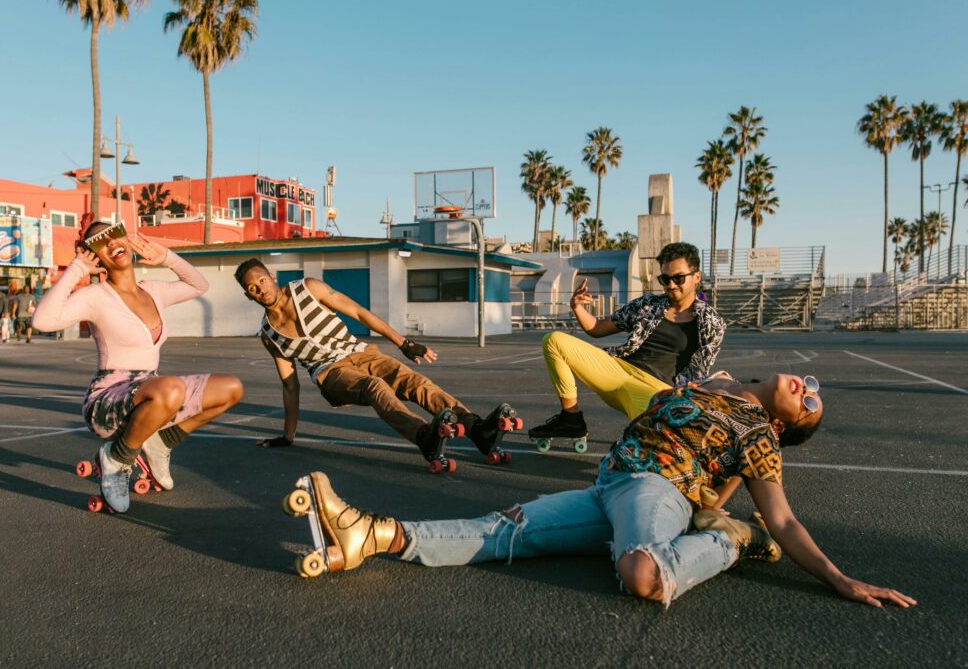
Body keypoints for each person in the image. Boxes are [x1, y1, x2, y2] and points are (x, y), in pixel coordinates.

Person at [286, 373, 917, 611]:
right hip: (608, 487)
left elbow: (781, 518)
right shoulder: (714, 388)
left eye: (809, 400)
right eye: (809, 383)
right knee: (505, 529)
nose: (804, 385)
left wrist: (840, 579)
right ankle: (371, 535)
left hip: (654, 491)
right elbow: (715, 481)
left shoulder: (760, 435)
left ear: (785, 426)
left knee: (643, 575)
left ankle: (725, 546)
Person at [33, 222, 244, 513]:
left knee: (231, 388)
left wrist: (167, 257)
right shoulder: (95, 297)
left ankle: (159, 444)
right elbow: (42, 321)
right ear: (95, 256)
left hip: (150, 394)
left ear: (126, 239)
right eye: (100, 242)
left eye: (115, 234)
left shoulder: (153, 290)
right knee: (170, 389)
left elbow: (199, 285)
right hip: (107, 400)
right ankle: (117, 459)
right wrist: (78, 269)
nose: (111, 244)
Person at [234, 258, 520, 470]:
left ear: (271, 276)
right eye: (252, 288)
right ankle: (423, 435)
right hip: (330, 374)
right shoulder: (270, 335)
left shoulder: (308, 289)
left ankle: (477, 429)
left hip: (361, 353)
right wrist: (288, 436)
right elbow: (289, 385)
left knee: (413, 381)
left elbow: (359, 313)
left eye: (261, 281)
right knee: (375, 387)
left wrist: (404, 344)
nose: (260, 289)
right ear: (248, 296)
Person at [529, 242, 726, 444]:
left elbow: (699, 374)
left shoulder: (710, 323)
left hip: (655, 391)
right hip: (617, 370)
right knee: (554, 341)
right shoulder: (648, 304)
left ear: (696, 277)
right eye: (665, 278)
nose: (671, 284)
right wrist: (577, 307)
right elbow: (597, 329)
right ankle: (570, 419)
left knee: (655, 443)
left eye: (679, 278)